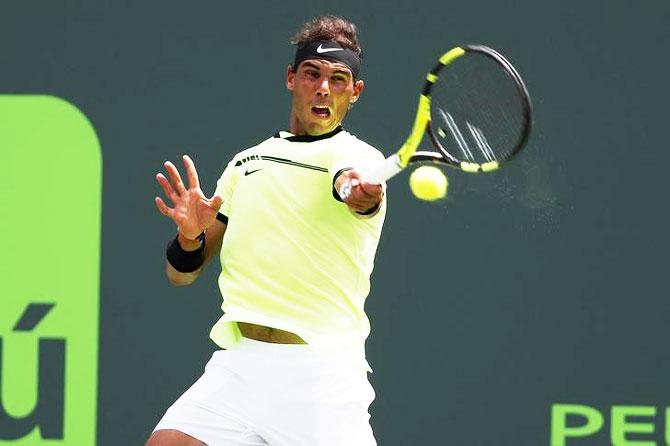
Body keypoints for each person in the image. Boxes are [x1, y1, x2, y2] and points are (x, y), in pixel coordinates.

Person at [147, 15, 386, 446]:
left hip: (320, 379)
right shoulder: (245, 164)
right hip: (240, 367)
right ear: (291, 78)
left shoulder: (358, 159)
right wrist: (189, 238)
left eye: (338, 78)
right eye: (312, 74)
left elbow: (350, 186)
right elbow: (181, 274)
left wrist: (357, 191)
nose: (323, 88)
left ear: (356, 92)